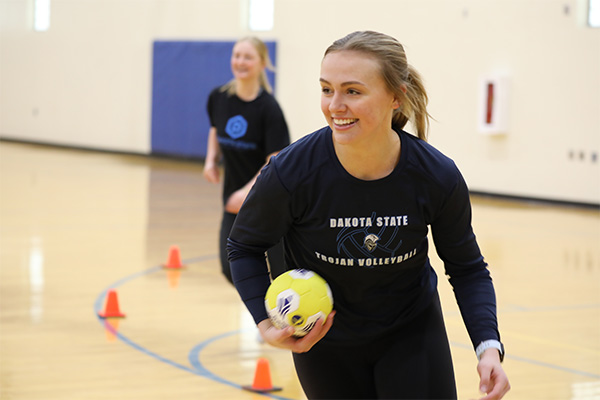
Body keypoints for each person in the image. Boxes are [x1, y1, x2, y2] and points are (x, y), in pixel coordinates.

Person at [228, 30, 510, 400]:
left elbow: (467, 267)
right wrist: (265, 325)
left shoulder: (435, 176)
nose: (335, 105)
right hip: (325, 343)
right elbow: (244, 246)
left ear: (396, 97)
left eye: (353, 91)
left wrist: (487, 346)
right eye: (327, 89)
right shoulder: (292, 173)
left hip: (411, 333)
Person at [203, 36, 290, 284]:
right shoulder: (219, 97)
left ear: (262, 63)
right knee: (230, 268)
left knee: (280, 274)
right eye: (237, 55)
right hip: (233, 201)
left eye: (248, 57)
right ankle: (267, 315)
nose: (240, 61)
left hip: (269, 203)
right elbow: (214, 129)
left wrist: (246, 193)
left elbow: (275, 160)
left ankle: (281, 316)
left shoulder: (269, 109)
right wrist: (211, 160)